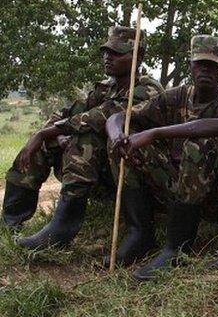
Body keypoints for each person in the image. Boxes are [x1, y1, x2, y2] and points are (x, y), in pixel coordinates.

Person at [106, 35, 218, 280]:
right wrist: (117, 135)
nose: (206, 70)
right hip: (179, 191)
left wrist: (155, 132)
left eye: (213, 65)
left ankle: (177, 248)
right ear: (191, 65)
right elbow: (120, 116)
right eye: (201, 63)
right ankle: (140, 233)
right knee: (128, 145)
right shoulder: (177, 95)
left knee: (199, 144)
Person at [7, 26, 164, 250]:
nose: (108, 58)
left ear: (138, 56)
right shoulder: (105, 88)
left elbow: (97, 117)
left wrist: (48, 132)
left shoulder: (147, 90)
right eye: (107, 52)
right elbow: (67, 114)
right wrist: (47, 135)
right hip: (103, 170)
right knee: (43, 144)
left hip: (136, 175)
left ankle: (61, 230)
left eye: (118, 53)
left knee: (85, 140)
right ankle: (11, 221)